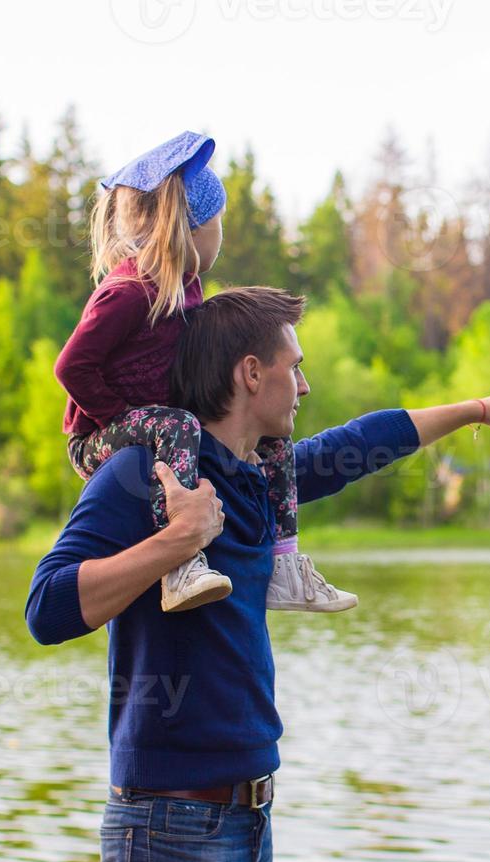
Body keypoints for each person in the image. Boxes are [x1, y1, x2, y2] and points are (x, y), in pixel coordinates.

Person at [26, 283, 490, 862]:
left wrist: (478, 410)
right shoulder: (144, 476)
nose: (303, 385)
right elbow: (47, 607)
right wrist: (174, 543)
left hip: (251, 818)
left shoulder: (264, 479)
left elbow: (366, 441)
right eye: (293, 367)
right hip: (167, 829)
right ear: (249, 373)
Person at [55, 130, 353, 614]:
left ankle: (283, 565)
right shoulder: (128, 291)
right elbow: (71, 366)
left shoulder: (187, 290)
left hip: (158, 428)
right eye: (219, 222)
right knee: (176, 424)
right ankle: (180, 565)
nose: (222, 235)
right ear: (191, 229)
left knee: (275, 440)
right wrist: (125, 420)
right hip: (97, 438)